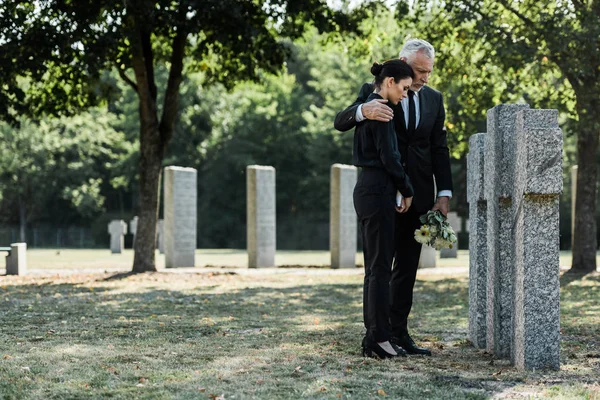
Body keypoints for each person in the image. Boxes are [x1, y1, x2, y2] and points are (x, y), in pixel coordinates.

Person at [336, 39, 453, 356]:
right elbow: (343, 120)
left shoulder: (434, 99)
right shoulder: (375, 90)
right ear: (402, 64)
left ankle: (399, 333)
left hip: (419, 195)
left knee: (408, 266)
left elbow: (439, 149)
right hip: (385, 189)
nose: (424, 78)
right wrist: (362, 110)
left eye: (429, 72)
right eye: (419, 70)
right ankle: (379, 333)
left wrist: (443, 193)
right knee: (379, 265)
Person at [353, 59, 415, 359]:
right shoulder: (380, 109)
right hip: (377, 190)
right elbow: (389, 156)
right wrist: (408, 189)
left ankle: (374, 337)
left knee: (375, 269)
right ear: (389, 81)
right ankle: (378, 338)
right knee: (379, 270)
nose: (406, 94)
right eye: (404, 88)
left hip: (370, 189)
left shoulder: (370, 104)